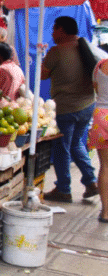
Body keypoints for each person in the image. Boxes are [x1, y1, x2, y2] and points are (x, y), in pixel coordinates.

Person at [41, 16, 99, 202]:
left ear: (62, 31)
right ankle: (90, 181)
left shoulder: (56, 52)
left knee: (61, 147)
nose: (52, 33)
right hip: (87, 105)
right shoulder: (86, 47)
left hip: (66, 108)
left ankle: (64, 189)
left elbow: (41, 76)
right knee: (76, 144)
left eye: (54, 29)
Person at [87, 58, 108, 222]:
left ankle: (105, 212)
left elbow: (95, 88)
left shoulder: (100, 65)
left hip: (101, 115)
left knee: (105, 166)